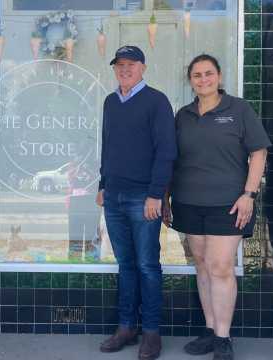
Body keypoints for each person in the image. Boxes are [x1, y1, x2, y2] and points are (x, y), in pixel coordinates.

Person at [171, 54, 270, 360]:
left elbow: (259, 152)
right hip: (188, 201)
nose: (203, 79)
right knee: (201, 265)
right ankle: (211, 330)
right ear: (190, 81)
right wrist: (165, 196)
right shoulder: (183, 115)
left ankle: (224, 338)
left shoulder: (238, 109)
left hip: (229, 204)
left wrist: (249, 194)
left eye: (208, 73)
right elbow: (172, 159)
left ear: (219, 76)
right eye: (197, 75)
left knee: (221, 267)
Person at [96, 45, 176, 360]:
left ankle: (152, 333)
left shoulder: (156, 101)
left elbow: (166, 151)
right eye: (119, 65)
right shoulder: (110, 102)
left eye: (131, 64)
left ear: (143, 67)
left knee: (147, 266)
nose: (124, 69)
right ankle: (126, 327)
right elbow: (108, 146)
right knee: (126, 266)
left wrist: (156, 194)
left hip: (144, 198)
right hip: (113, 197)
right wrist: (103, 184)